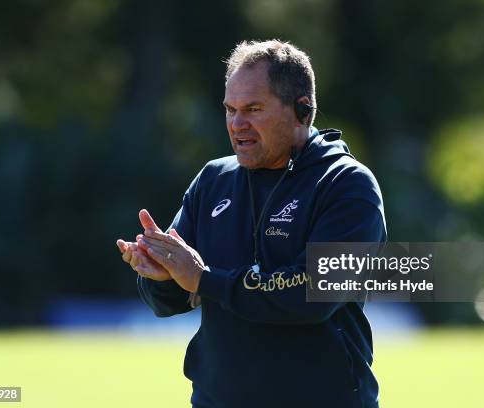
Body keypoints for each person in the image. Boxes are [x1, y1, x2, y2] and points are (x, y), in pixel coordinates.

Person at [116, 40, 387, 408]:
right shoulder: (213, 181)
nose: (237, 124)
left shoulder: (346, 185)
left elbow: (313, 295)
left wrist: (205, 280)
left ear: (302, 112)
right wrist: (159, 276)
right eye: (230, 110)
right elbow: (172, 299)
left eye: (253, 109)